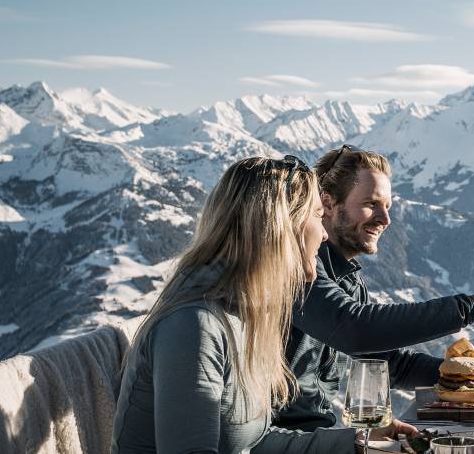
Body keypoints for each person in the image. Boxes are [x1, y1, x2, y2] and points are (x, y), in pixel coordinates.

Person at [113, 156, 378, 454]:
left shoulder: (245, 314)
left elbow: (255, 441)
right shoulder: (195, 326)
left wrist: (355, 443)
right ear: (282, 229)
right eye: (318, 216)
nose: (325, 233)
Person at [276, 145, 474, 431]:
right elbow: (354, 329)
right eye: (371, 204)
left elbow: (392, 365)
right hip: (281, 439)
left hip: (319, 435)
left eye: (388, 206)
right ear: (328, 204)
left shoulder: (348, 280)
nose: (385, 220)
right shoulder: (297, 267)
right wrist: (469, 308)